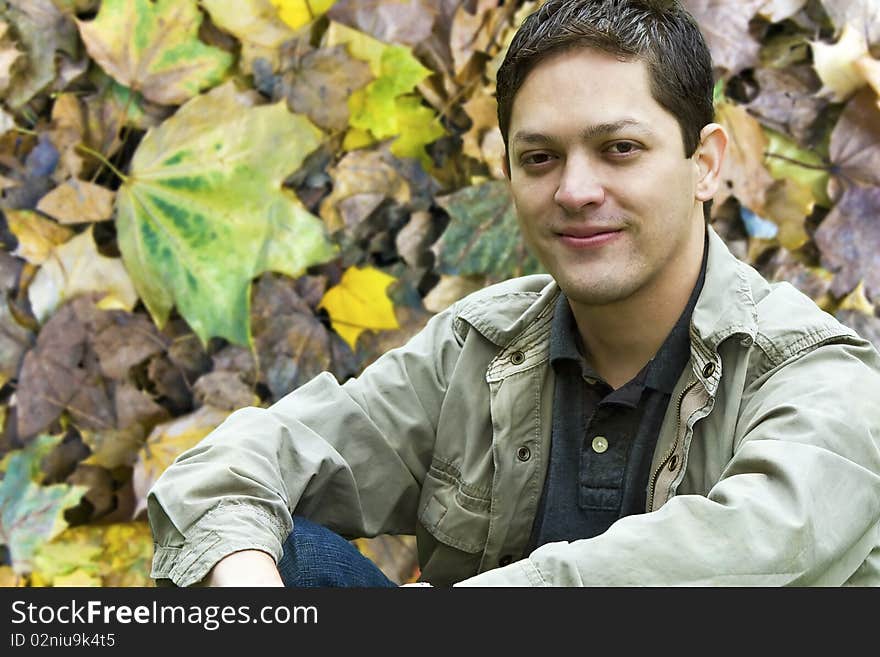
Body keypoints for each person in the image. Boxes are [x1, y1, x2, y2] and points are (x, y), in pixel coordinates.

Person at [147, 0, 880, 587]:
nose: (575, 190)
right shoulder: (479, 346)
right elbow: (232, 467)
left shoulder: (814, 374)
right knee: (274, 554)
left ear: (705, 163)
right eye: (540, 157)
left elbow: (752, 549)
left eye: (619, 148)